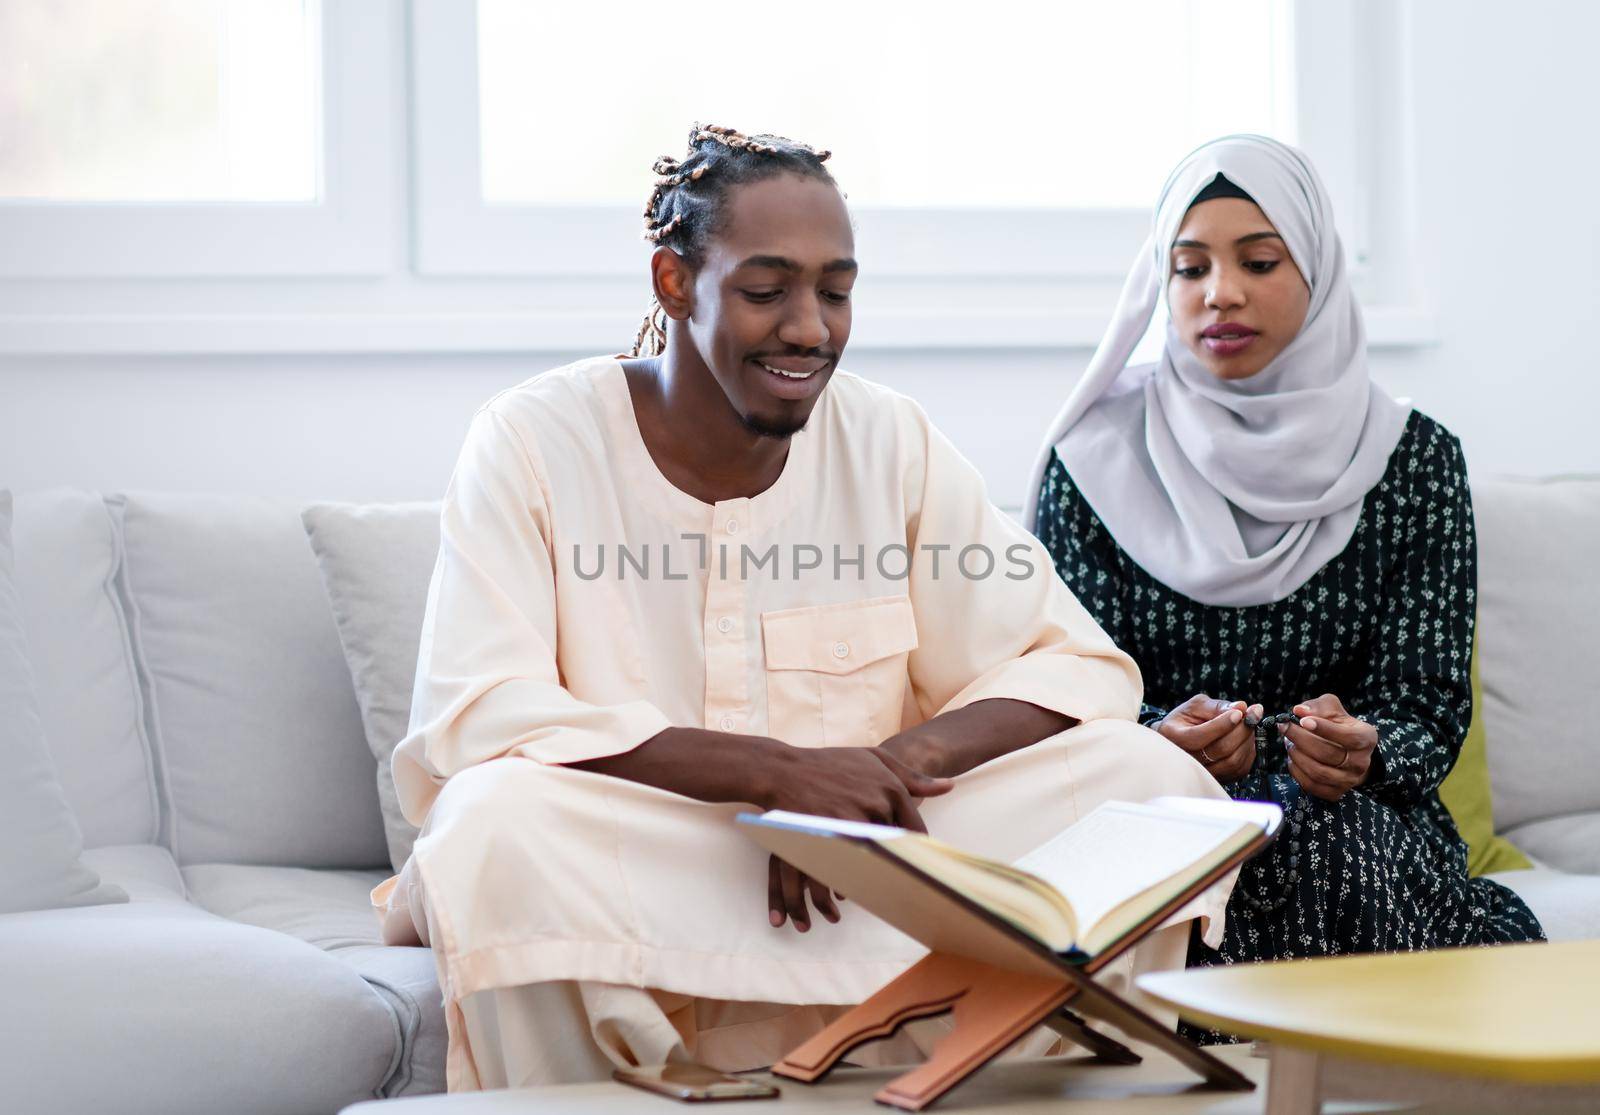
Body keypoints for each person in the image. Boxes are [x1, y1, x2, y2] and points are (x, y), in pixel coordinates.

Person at [371, 124, 1236, 1090]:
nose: (810, 327)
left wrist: (879, 775)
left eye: (835, 291)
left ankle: (1004, 1090)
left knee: (1138, 771)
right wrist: (775, 774)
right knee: (497, 816)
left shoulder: (889, 438)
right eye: (766, 289)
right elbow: (482, 713)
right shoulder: (533, 439)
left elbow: (1073, 665)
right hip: (653, 850)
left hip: (867, 863)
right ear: (674, 282)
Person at [1025, 135, 1543, 1020]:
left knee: (1311, 840)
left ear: (1318, 268)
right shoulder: (1095, 459)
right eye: (1188, 268)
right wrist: (1163, 739)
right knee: (1234, 847)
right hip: (1156, 817)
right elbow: (1070, 691)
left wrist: (1364, 746)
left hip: (1360, 820)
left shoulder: (1413, 460)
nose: (1219, 292)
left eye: (1258, 260)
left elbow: (1426, 706)